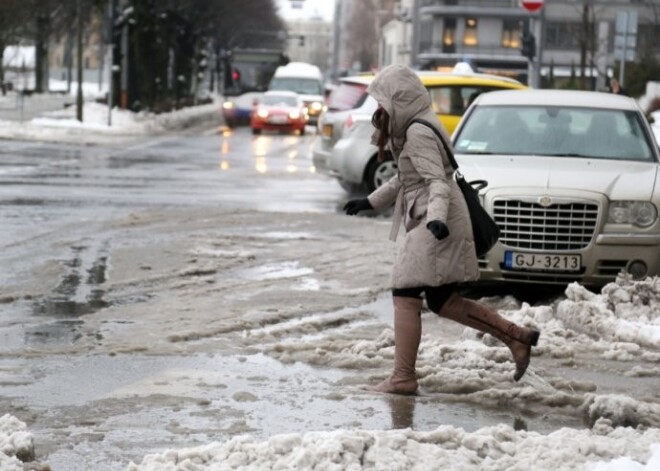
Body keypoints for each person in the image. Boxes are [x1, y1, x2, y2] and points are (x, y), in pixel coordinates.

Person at [343, 64, 540, 395]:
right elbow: (406, 178)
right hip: (439, 218)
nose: (379, 109)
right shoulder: (415, 126)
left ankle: (403, 378)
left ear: (399, 100)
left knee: (405, 292)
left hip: (438, 222)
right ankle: (516, 337)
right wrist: (371, 201)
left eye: (383, 102)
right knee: (441, 299)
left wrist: (436, 219)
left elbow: (436, 182)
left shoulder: (417, 131)